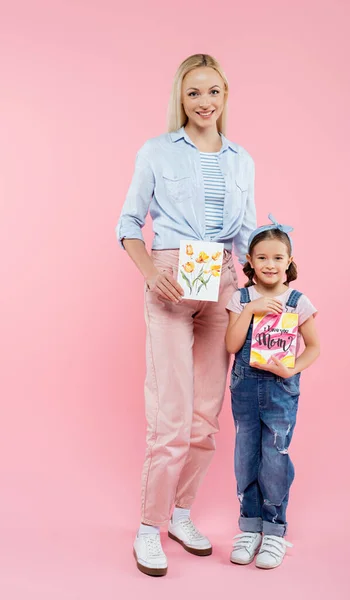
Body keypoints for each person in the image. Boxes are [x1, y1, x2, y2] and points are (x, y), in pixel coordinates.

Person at [116, 54, 256, 577]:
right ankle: (148, 528)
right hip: (173, 280)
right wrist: (151, 271)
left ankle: (180, 513)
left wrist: (267, 289)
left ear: (225, 95)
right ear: (181, 97)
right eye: (194, 92)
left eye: (213, 91)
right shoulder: (156, 151)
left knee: (206, 419)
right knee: (171, 417)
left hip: (222, 280)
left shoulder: (242, 159)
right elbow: (128, 223)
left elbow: (245, 235)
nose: (204, 102)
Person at [225, 215, 320, 569]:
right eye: (262, 257)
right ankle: (249, 527)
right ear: (249, 261)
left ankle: (274, 531)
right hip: (245, 390)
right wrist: (250, 310)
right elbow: (232, 345)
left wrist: (292, 366)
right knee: (246, 457)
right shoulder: (241, 298)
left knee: (275, 457)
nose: (270, 264)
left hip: (281, 390)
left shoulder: (298, 301)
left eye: (278, 258)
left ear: (289, 262)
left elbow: (313, 346)